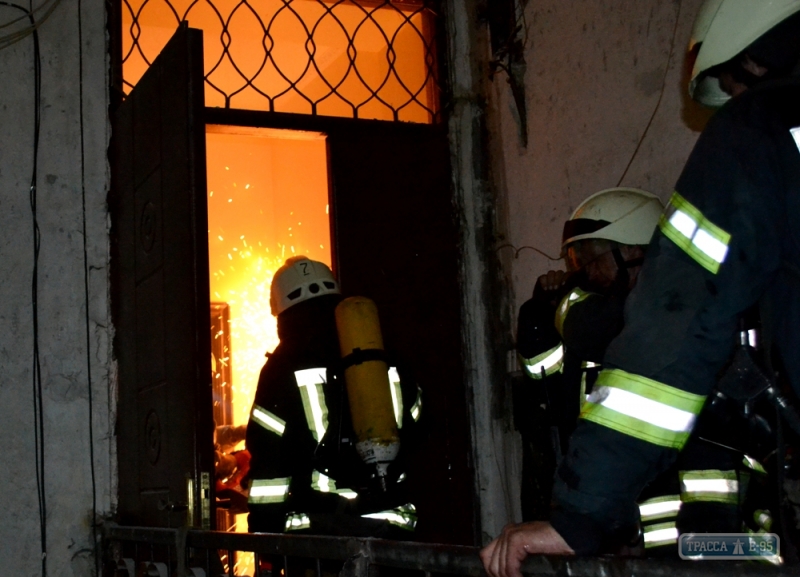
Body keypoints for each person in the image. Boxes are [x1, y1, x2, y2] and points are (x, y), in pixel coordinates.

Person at [482, 0, 800, 572]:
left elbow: (665, 330)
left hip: (710, 537)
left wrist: (582, 517)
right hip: (689, 536)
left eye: (592, 257)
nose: (582, 270)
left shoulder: (757, 135)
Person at [245, 256, 421, 545]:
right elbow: (419, 426)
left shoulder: (281, 366)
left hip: (322, 535)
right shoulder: (381, 349)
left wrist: (264, 533)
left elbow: (269, 462)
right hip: (393, 528)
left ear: (280, 311)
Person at [514, 188, 662, 519]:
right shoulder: (597, 304)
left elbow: (592, 328)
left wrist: (565, 297)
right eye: (577, 263)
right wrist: (537, 317)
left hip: (658, 507)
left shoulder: (660, 307)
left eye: (591, 260)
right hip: (604, 495)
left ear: (631, 250)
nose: (586, 273)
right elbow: (546, 380)